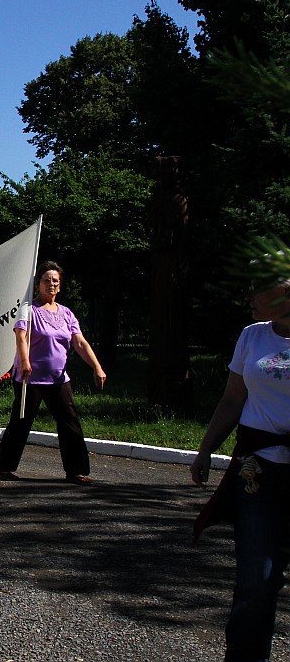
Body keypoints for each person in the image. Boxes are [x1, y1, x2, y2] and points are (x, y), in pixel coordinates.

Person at [190, 273, 290, 662]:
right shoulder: (252, 336)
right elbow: (233, 399)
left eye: (259, 287)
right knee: (257, 578)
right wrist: (205, 449)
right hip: (258, 473)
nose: (249, 293)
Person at [0, 261, 106, 484]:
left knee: (69, 421)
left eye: (55, 281)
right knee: (21, 421)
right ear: (38, 284)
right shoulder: (28, 310)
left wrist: (96, 367)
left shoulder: (66, 313)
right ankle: (1, 465)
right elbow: (21, 336)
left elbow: (79, 342)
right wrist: (24, 362)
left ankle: (76, 471)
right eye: (46, 280)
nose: (51, 284)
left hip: (58, 378)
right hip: (30, 377)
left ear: (60, 286)